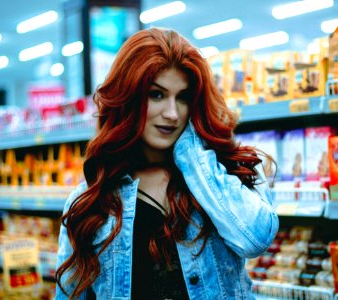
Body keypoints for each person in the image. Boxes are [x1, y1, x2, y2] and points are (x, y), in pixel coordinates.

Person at [55, 27, 279, 299]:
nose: (172, 114)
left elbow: (254, 239)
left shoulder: (224, 172)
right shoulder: (90, 202)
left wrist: (192, 153)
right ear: (129, 97)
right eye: (156, 95)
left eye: (183, 97)